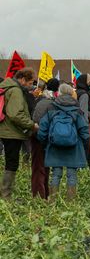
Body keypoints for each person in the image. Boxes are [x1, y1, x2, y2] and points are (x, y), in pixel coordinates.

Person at [37, 83, 90, 200]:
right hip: (73, 147)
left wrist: (45, 142)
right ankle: (70, 202)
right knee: (72, 176)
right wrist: (85, 143)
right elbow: (84, 130)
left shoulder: (52, 107)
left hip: (55, 146)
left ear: (59, 93)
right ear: (72, 93)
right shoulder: (77, 110)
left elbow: (43, 129)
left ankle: (53, 202)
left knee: (55, 175)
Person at [0, 68, 38, 199]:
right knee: (12, 163)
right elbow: (15, 114)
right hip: (11, 132)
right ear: (22, 79)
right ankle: (6, 195)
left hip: (5, 130)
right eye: (30, 82)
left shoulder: (7, 87)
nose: (31, 85)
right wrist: (31, 124)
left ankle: (5, 193)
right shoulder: (16, 90)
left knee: (10, 162)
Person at [31, 77, 60, 199]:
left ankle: (39, 194)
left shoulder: (40, 101)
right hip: (49, 137)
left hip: (38, 136)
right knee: (46, 167)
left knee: (38, 167)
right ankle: (44, 194)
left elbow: (35, 118)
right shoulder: (55, 102)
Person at [76, 73, 90, 171]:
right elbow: (83, 110)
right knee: (87, 146)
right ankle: (87, 166)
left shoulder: (77, 92)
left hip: (76, 123)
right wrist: (84, 126)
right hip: (84, 124)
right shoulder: (84, 94)